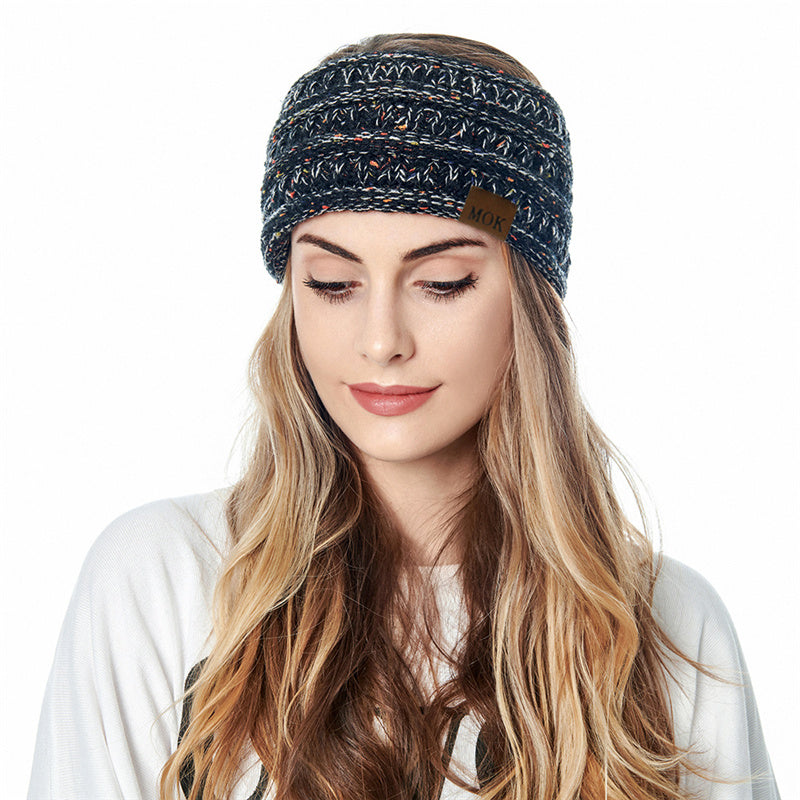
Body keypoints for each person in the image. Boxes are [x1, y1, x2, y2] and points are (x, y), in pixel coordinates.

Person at [27, 32, 781, 800]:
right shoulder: (160, 581)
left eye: (442, 281)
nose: (381, 340)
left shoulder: (666, 629)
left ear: (528, 299)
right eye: (332, 282)